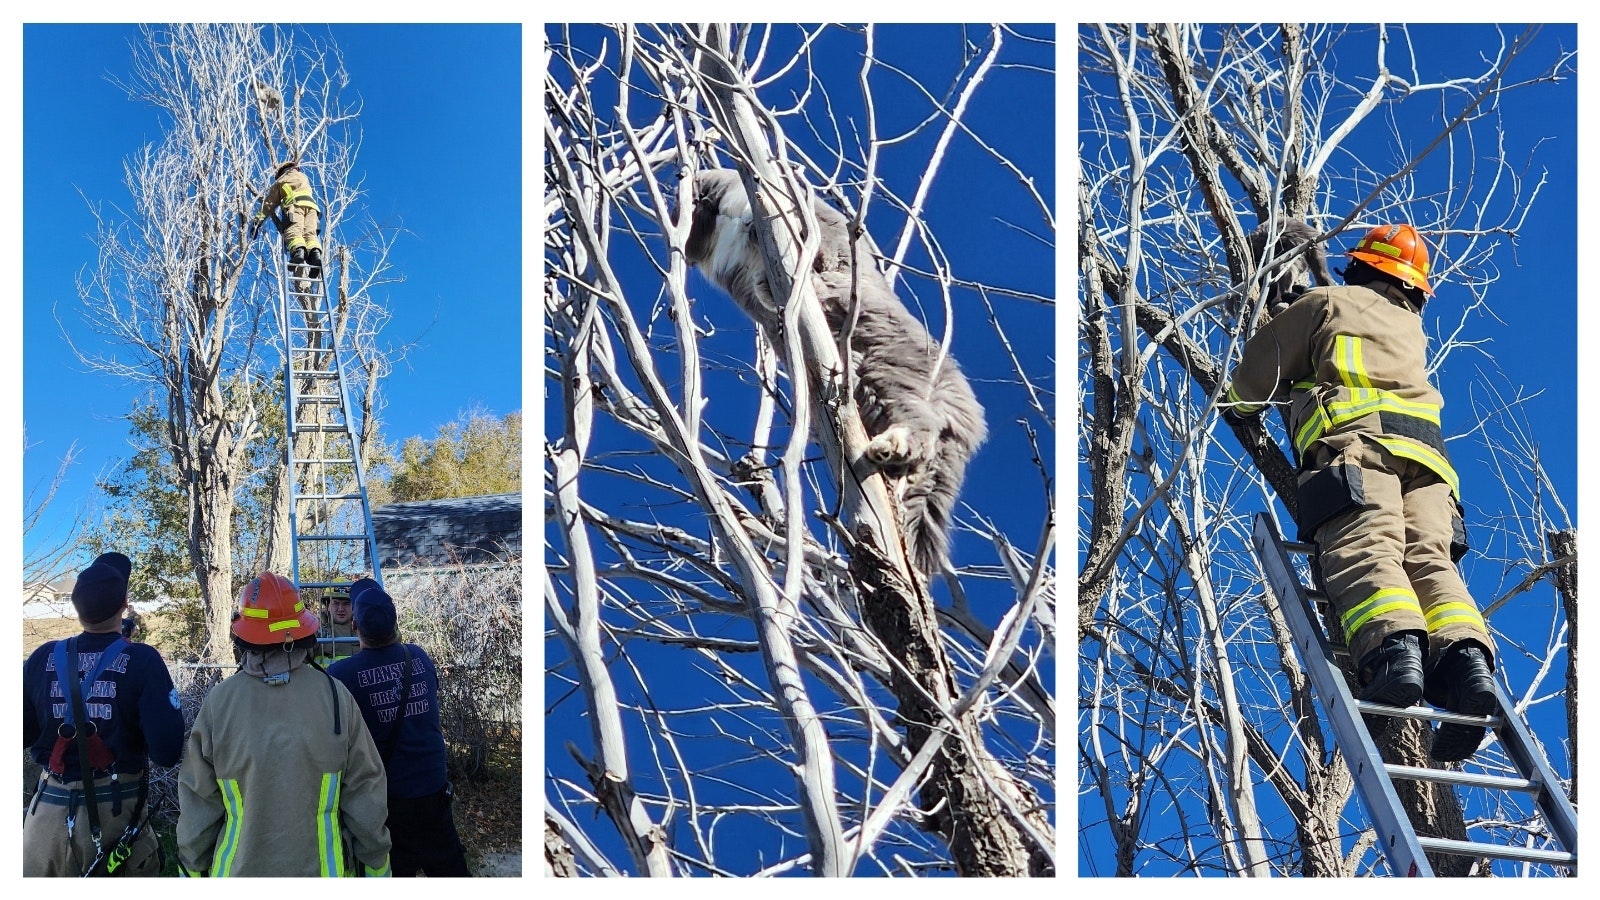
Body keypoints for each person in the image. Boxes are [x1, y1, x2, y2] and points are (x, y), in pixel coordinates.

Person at [1225, 222, 1496, 762]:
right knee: (1429, 562)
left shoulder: (1325, 304)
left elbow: (1257, 380)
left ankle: (1395, 657)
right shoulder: (1410, 328)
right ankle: (1467, 668)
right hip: (1431, 466)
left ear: (1360, 267)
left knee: (1366, 549)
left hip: (1360, 448)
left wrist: (1240, 400)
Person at [177, 572, 392, 876]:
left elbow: (198, 805)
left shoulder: (219, 703)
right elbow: (366, 794)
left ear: (244, 635)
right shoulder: (335, 697)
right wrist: (377, 867)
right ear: (303, 630)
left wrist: (192, 871)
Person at [23, 552, 185, 876]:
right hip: (113, 823)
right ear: (124, 604)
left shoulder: (42, 657)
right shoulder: (142, 660)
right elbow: (167, 752)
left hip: (43, 829)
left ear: (77, 607)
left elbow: (23, 734)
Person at [328, 578, 470, 876]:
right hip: (434, 795)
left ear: (355, 626)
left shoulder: (341, 675)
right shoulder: (419, 657)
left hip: (387, 803)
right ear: (395, 624)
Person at [252, 160, 323, 278]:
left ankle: (298, 252)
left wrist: (257, 221)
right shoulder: (303, 176)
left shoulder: (281, 181)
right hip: (312, 209)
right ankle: (315, 256)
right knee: (310, 234)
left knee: (294, 231)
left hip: (295, 206)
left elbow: (269, 203)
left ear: (280, 172)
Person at [315, 584, 360, 666]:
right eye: (336, 603)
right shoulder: (318, 632)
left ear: (353, 607)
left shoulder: (364, 633)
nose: (341, 609)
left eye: (346, 604)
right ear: (327, 606)